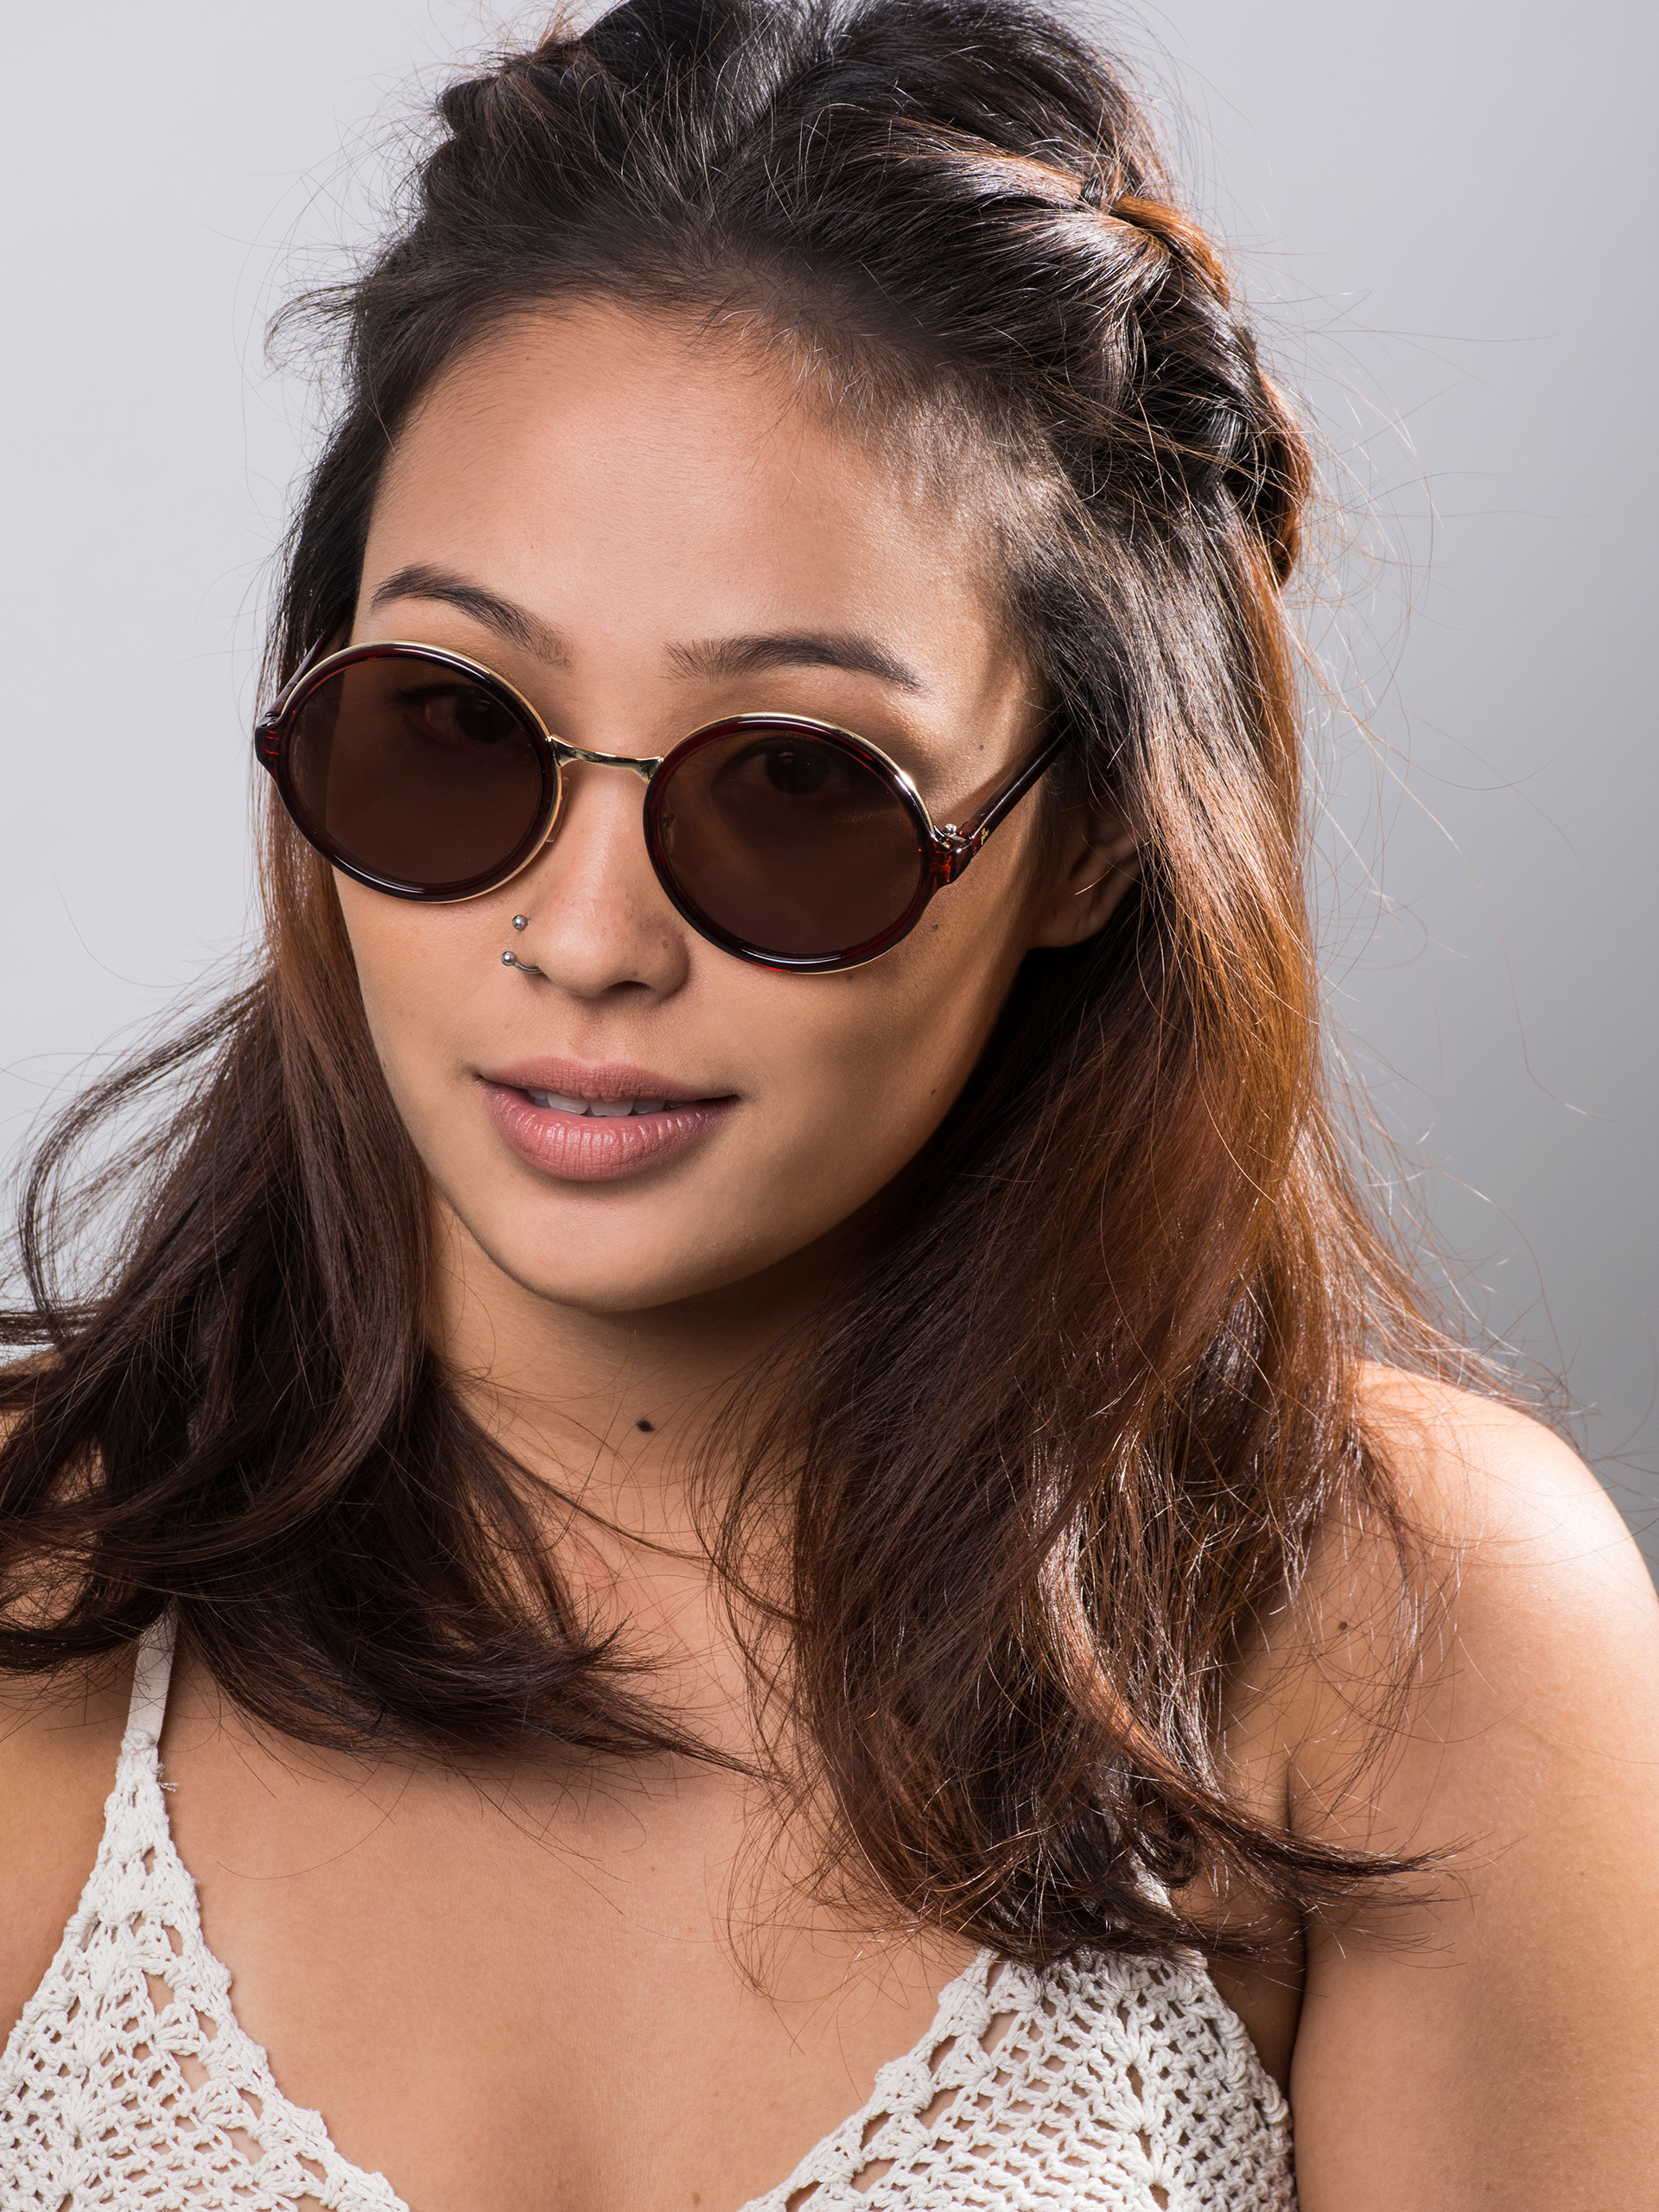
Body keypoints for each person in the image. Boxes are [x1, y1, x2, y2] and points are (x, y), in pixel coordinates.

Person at [2, 2, 1655, 2205]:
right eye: (454, 728)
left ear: (1092, 835)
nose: (586, 933)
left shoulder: (1414, 1633)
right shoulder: (38, 1595)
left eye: (798, 783)